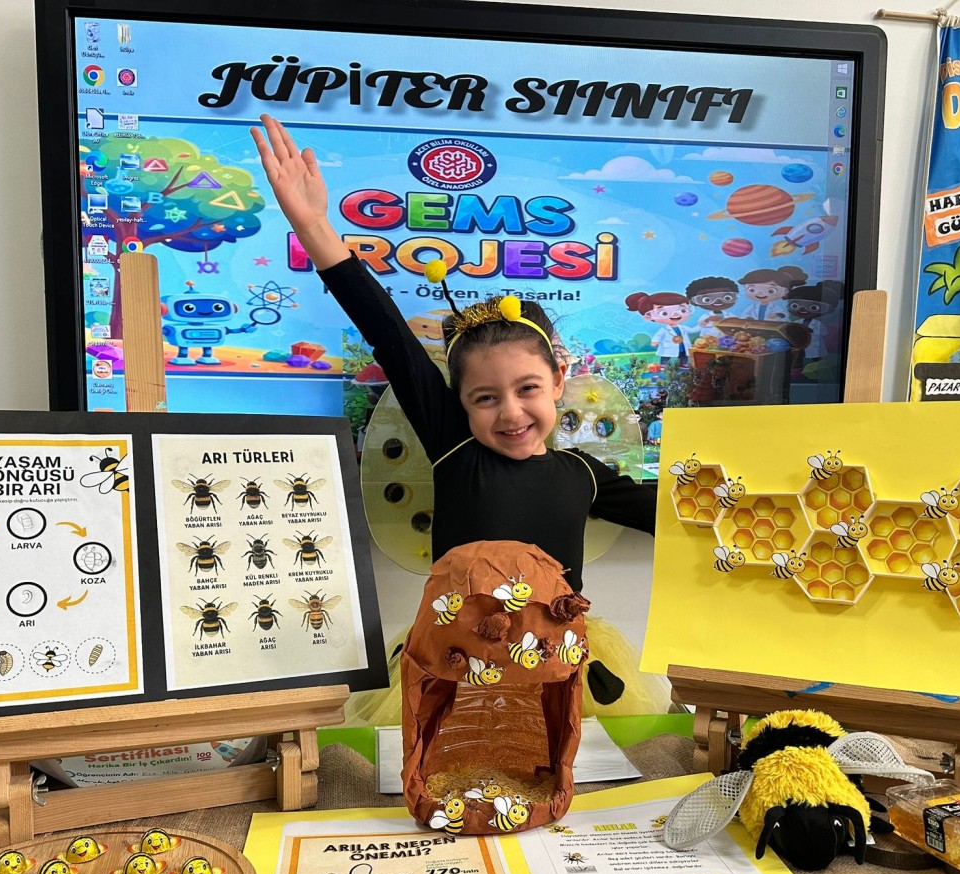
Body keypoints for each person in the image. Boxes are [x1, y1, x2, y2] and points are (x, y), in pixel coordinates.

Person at [250, 116, 665, 714]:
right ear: (458, 402)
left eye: (527, 388)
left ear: (558, 381)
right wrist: (314, 225)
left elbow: (675, 515)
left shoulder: (584, 474)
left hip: (557, 662)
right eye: (485, 398)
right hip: (457, 662)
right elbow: (386, 331)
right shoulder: (454, 448)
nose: (511, 412)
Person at [624, 290, 695, 368]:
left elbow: (692, 330)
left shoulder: (682, 328)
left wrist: (701, 325)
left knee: (683, 353)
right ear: (649, 316)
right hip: (668, 345)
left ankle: (684, 364)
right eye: (664, 313)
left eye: (683, 310)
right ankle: (664, 365)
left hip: (682, 345)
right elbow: (658, 335)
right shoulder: (664, 329)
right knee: (666, 355)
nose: (675, 315)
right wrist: (655, 341)